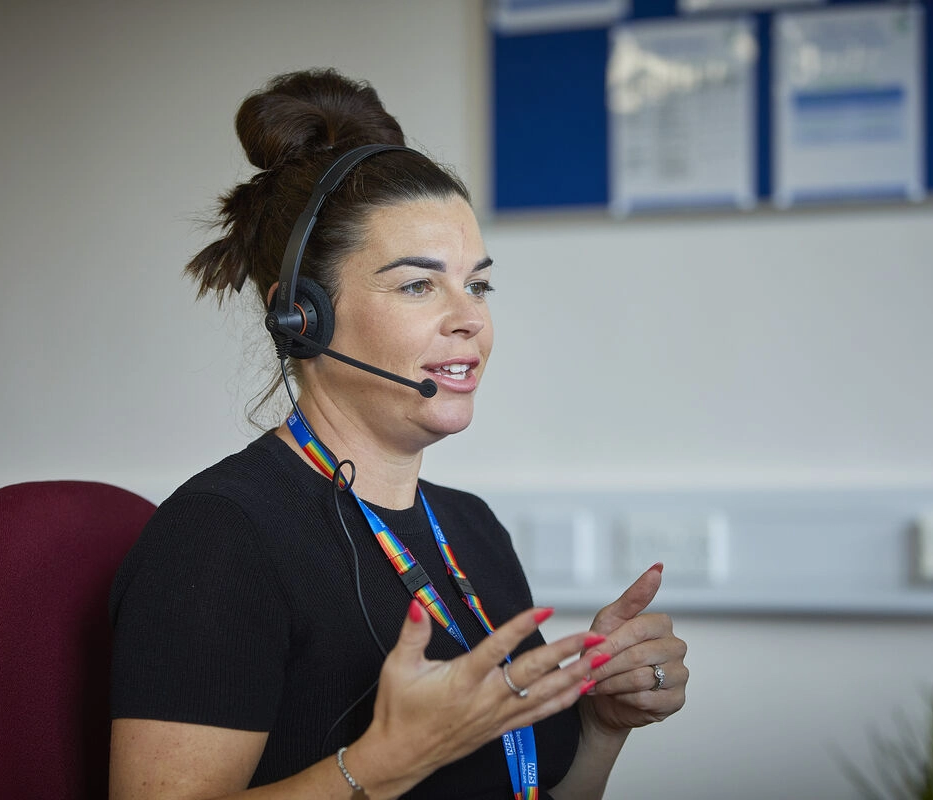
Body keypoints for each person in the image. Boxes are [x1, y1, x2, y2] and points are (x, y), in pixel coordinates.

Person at [108, 68, 688, 800]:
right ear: (301, 316)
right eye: (419, 285)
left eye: (477, 284)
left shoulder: (471, 527)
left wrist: (603, 724)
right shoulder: (220, 539)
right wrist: (383, 765)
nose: (470, 319)